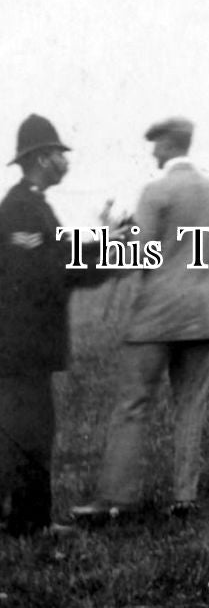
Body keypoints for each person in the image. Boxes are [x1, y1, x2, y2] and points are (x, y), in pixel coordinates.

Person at [72, 117, 209, 522]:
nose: (152, 151)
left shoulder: (156, 191)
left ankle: (115, 499)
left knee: (132, 405)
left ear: (167, 145)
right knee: (190, 406)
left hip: (157, 316)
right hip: (204, 314)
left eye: (156, 144)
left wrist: (113, 235)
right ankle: (185, 495)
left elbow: (137, 253)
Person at [0, 114, 110, 536]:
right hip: (22, 346)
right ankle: (30, 522)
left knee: (18, 432)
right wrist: (108, 249)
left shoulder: (33, 205)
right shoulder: (23, 209)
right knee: (30, 434)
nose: (67, 162)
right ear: (44, 158)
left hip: (23, 346)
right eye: (61, 154)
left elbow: (62, 262)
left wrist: (108, 245)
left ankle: (19, 515)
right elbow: (50, 272)